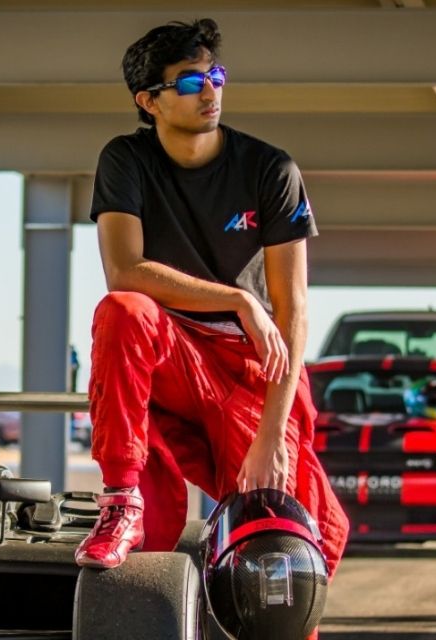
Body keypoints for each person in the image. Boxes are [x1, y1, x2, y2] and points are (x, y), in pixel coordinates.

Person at [74, 17, 349, 587]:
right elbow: (124, 273)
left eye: (215, 76)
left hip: (251, 365)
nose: (210, 91)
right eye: (190, 81)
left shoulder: (270, 169)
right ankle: (122, 502)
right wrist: (237, 298)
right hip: (172, 355)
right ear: (148, 101)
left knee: (282, 548)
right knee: (123, 311)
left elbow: (293, 310)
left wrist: (271, 435)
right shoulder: (126, 159)